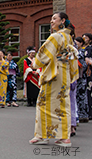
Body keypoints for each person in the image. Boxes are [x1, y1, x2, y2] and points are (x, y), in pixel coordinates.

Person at [29, 12, 78, 147]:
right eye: (51, 19)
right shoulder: (68, 37)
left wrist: (34, 63)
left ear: (62, 20)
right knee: (62, 103)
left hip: (54, 73)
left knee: (43, 102)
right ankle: (64, 137)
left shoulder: (56, 36)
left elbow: (43, 54)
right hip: (64, 73)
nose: (51, 21)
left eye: (54, 19)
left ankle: (42, 135)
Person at [74, 37, 88, 124]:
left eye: (78, 42)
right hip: (76, 76)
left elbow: (84, 65)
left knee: (82, 95)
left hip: (81, 76)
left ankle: (83, 114)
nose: (76, 44)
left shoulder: (82, 52)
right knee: (77, 96)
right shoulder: (75, 52)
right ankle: (78, 114)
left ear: (81, 43)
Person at [82, 33, 92, 120]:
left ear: (90, 40)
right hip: (87, 73)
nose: (84, 39)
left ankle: (90, 112)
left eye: (86, 38)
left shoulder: (89, 48)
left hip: (88, 73)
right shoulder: (84, 48)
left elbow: (88, 60)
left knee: (89, 92)